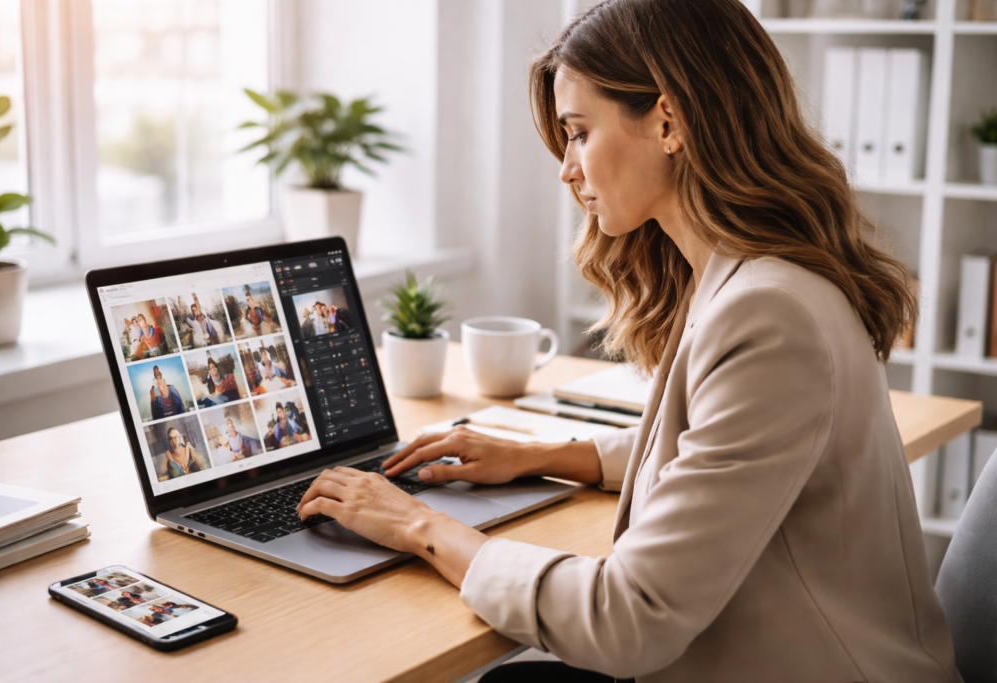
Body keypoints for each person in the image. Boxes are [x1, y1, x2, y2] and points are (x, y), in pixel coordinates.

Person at [294, 2, 959, 681]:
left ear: (668, 121)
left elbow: (628, 617)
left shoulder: (768, 313)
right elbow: (716, 450)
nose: (567, 169)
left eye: (579, 133)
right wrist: (545, 454)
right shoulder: (757, 274)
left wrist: (418, 526)